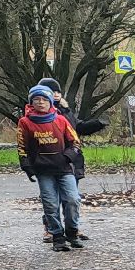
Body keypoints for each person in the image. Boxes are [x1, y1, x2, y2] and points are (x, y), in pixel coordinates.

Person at [17, 85, 84, 252]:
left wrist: (68, 157)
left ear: (50, 102)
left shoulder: (60, 120)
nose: (40, 103)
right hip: (43, 170)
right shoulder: (25, 122)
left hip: (63, 168)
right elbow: (21, 146)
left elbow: (75, 142)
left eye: (44, 99)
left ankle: (72, 232)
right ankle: (57, 236)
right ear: (31, 102)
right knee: (50, 204)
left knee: (72, 199)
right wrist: (26, 165)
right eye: (36, 100)